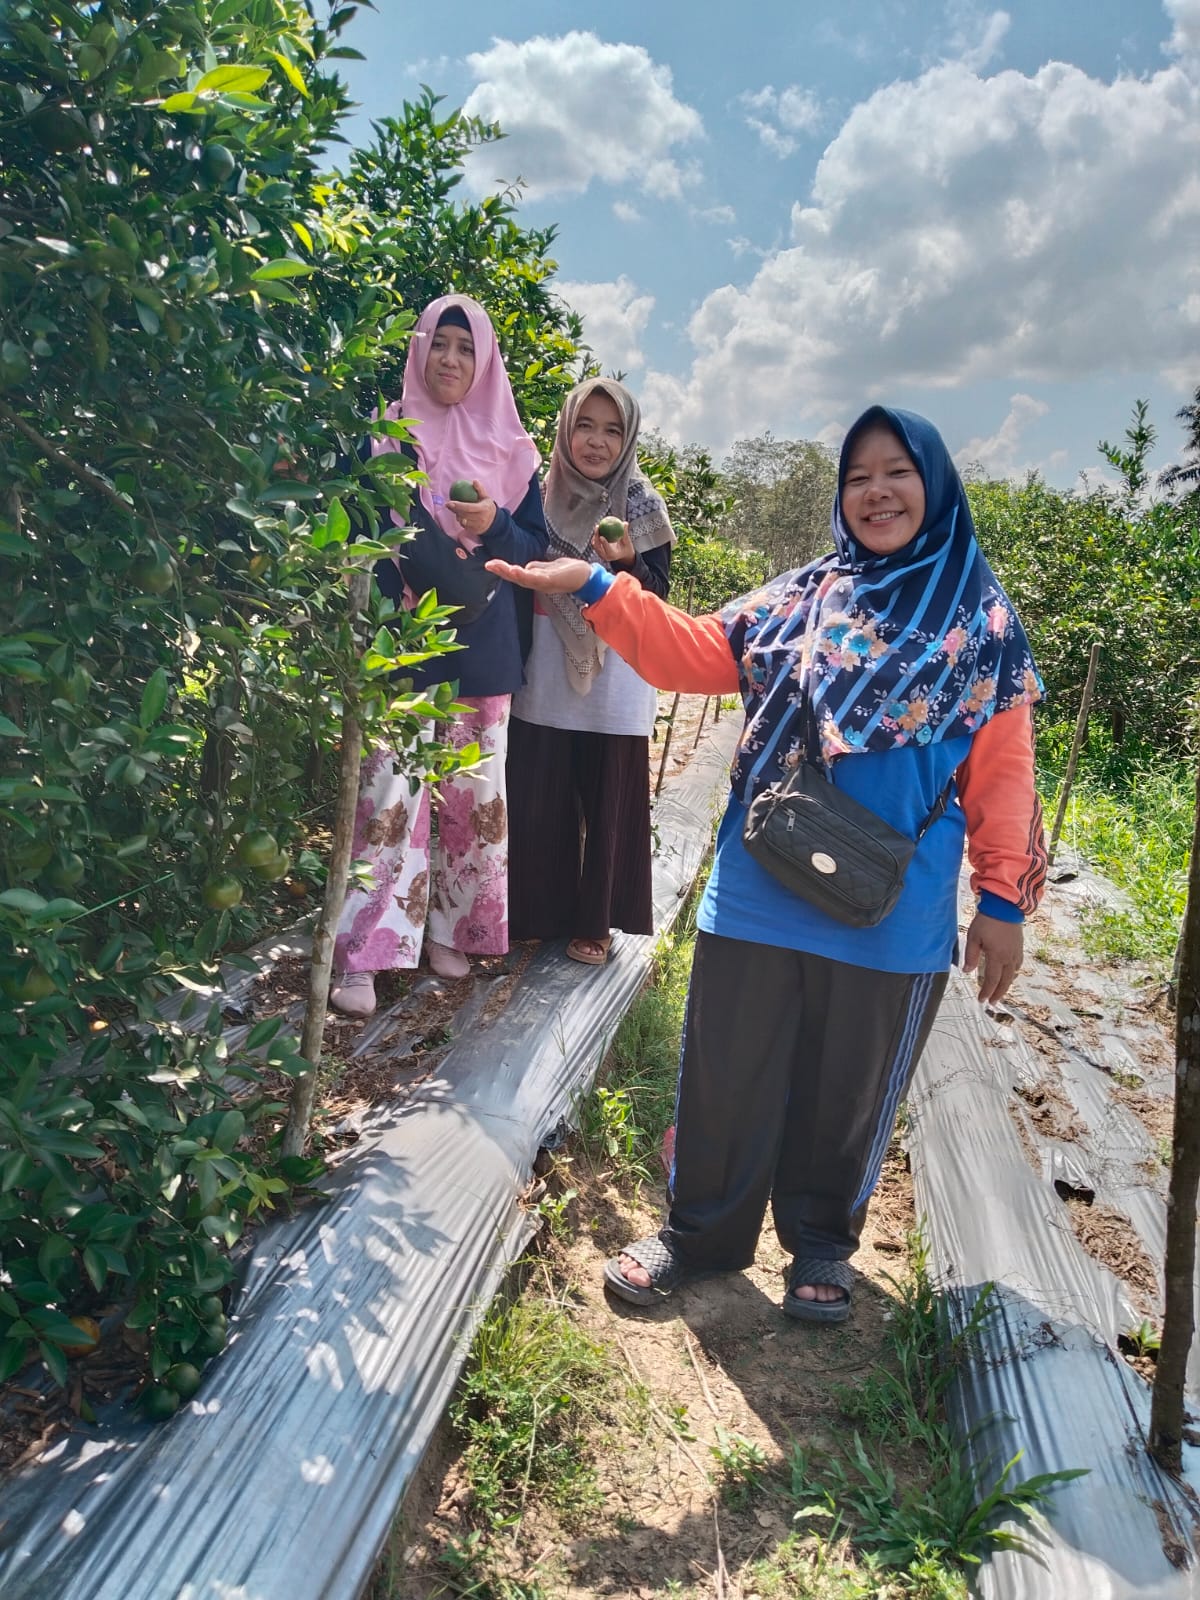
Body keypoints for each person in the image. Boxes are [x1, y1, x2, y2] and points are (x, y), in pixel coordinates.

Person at [486, 405, 1045, 1321]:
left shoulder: (978, 625)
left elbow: (1006, 774)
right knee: (726, 1066)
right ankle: (699, 1232)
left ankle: (821, 1241)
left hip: (893, 905)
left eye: (896, 472)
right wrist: (595, 583)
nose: (875, 492)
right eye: (858, 475)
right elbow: (699, 651)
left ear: (934, 486)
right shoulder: (804, 594)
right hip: (761, 879)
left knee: (851, 1085)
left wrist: (1002, 901)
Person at [329, 294, 548, 1018]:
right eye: (439, 344)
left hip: (484, 649)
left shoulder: (514, 454)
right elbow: (354, 530)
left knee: (470, 797)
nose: (451, 360)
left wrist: (494, 526)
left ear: (485, 360)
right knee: (390, 798)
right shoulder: (384, 439)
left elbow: (532, 552)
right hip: (402, 644)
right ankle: (364, 950)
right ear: (418, 350)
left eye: (466, 348)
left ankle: (449, 929)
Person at [507, 379, 675, 966]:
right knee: (538, 787)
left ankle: (595, 923)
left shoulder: (640, 502)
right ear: (566, 428)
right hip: (547, 659)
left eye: (611, 430)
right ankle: (536, 910)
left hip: (617, 669)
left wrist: (626, 560)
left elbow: (657, 591)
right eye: (585, 426)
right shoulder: (538, 492)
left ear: (627, 438)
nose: (596, 442)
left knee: (606, 795)